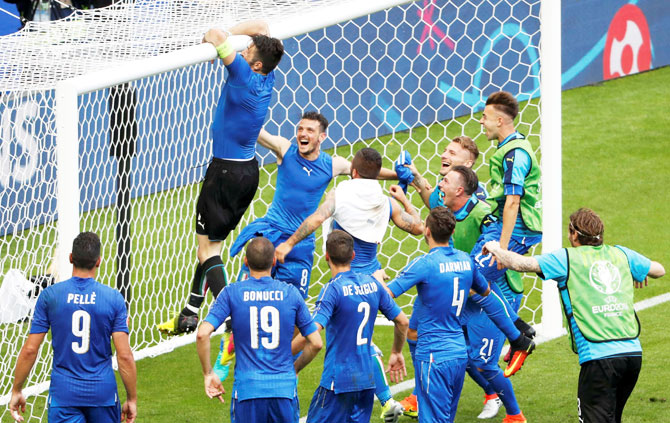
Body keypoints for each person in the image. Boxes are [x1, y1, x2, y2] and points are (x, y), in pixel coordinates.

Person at [213, 111, 399, 381]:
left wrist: (399, 175)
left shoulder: (332, 165)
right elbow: (256, 131)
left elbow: (367, 172)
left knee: (295, 318)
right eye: (300, 128)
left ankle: (274, 362)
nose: (302, 134)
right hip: (269, 236)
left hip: (300, 247)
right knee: (244, 298)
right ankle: (228, 347)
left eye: (310, 130)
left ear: (322, 136)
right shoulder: (284, 149)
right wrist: (239, 109)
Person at [275, 147, 424, 422]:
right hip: (373, 280)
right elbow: (416, 227)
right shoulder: (385, 201)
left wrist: (289, 243)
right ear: (377, 174)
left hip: (344, 281)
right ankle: (383, 398)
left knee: (335, 339)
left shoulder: (340, 194)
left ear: (354, 171)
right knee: (361, 339)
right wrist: (405, 199)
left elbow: (316, 219)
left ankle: (283, 369)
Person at [158, 20, 285, 335]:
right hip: (247, 173)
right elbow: (262, 26)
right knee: (211, 243)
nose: (242, 50)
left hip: (224, 174)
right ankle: (190, 310)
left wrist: (219, 40)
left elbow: (214, 35)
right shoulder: (266, 75)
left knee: (207, 251)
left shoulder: (243, 76)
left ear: (255, 63)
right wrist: (235, 38)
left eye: (248, 50)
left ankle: (229, 316)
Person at [483, 208, 665, 423]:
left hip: (599, 359)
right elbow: (659, 269)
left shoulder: (566, 258)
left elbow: (522, 264)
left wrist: (496, 247)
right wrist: (638, 273)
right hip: (633, 356)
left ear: (574, 235)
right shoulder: (622, 254)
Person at [384, 207, 535, 423]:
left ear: (427, 232)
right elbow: (488, 298)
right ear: (453, 233)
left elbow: (385, 296)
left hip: (434, 355)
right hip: (458, 356)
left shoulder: (424, 264)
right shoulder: (466, 261)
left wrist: (378, 282)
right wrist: (516, 335)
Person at [9, 232, 137, 423]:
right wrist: (132, 398)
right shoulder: (113, 299)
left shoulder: (50, 296)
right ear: (99, 261)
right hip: (102, 394)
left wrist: (17, 389)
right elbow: (124, 355)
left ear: (70, 258)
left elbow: (30, 350)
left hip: (64, 395)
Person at [196, 236, 323, 423]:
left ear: (246, 262)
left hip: (248, 391)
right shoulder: (291, 294)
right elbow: (316, 343)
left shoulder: (232, 293)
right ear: (273, 261)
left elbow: (202, 334)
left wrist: (208, 374)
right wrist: (294, 368)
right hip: (284, 391)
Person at [293, 230, 409, 423]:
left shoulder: (332, 289)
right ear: (353, 256)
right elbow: (403, 321)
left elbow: (312, 332)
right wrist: (396, 351)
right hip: (366, 383)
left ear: (326, 257)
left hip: (337, 382)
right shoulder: (373, 284)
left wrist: (287, 359)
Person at [407, 135, 488, 210]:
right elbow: (434, 204)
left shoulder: (477, 197)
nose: (443, 155)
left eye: (452, 153)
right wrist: (417, 178)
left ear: (467, 163)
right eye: (445, 151)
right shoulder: (443, 184)